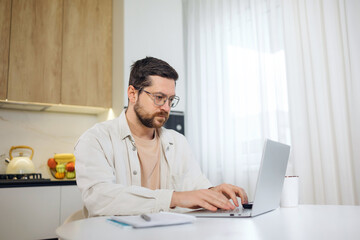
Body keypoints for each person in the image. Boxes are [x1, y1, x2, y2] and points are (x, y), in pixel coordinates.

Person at [74, 57, 248, 217]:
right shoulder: (95, 140)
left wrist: (212, 192)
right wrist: (173, 198)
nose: (166, 107)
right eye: (159, 98)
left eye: (171, 100)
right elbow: (99, 199)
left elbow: (194, 187)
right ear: (132, 94)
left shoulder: (178, 141)